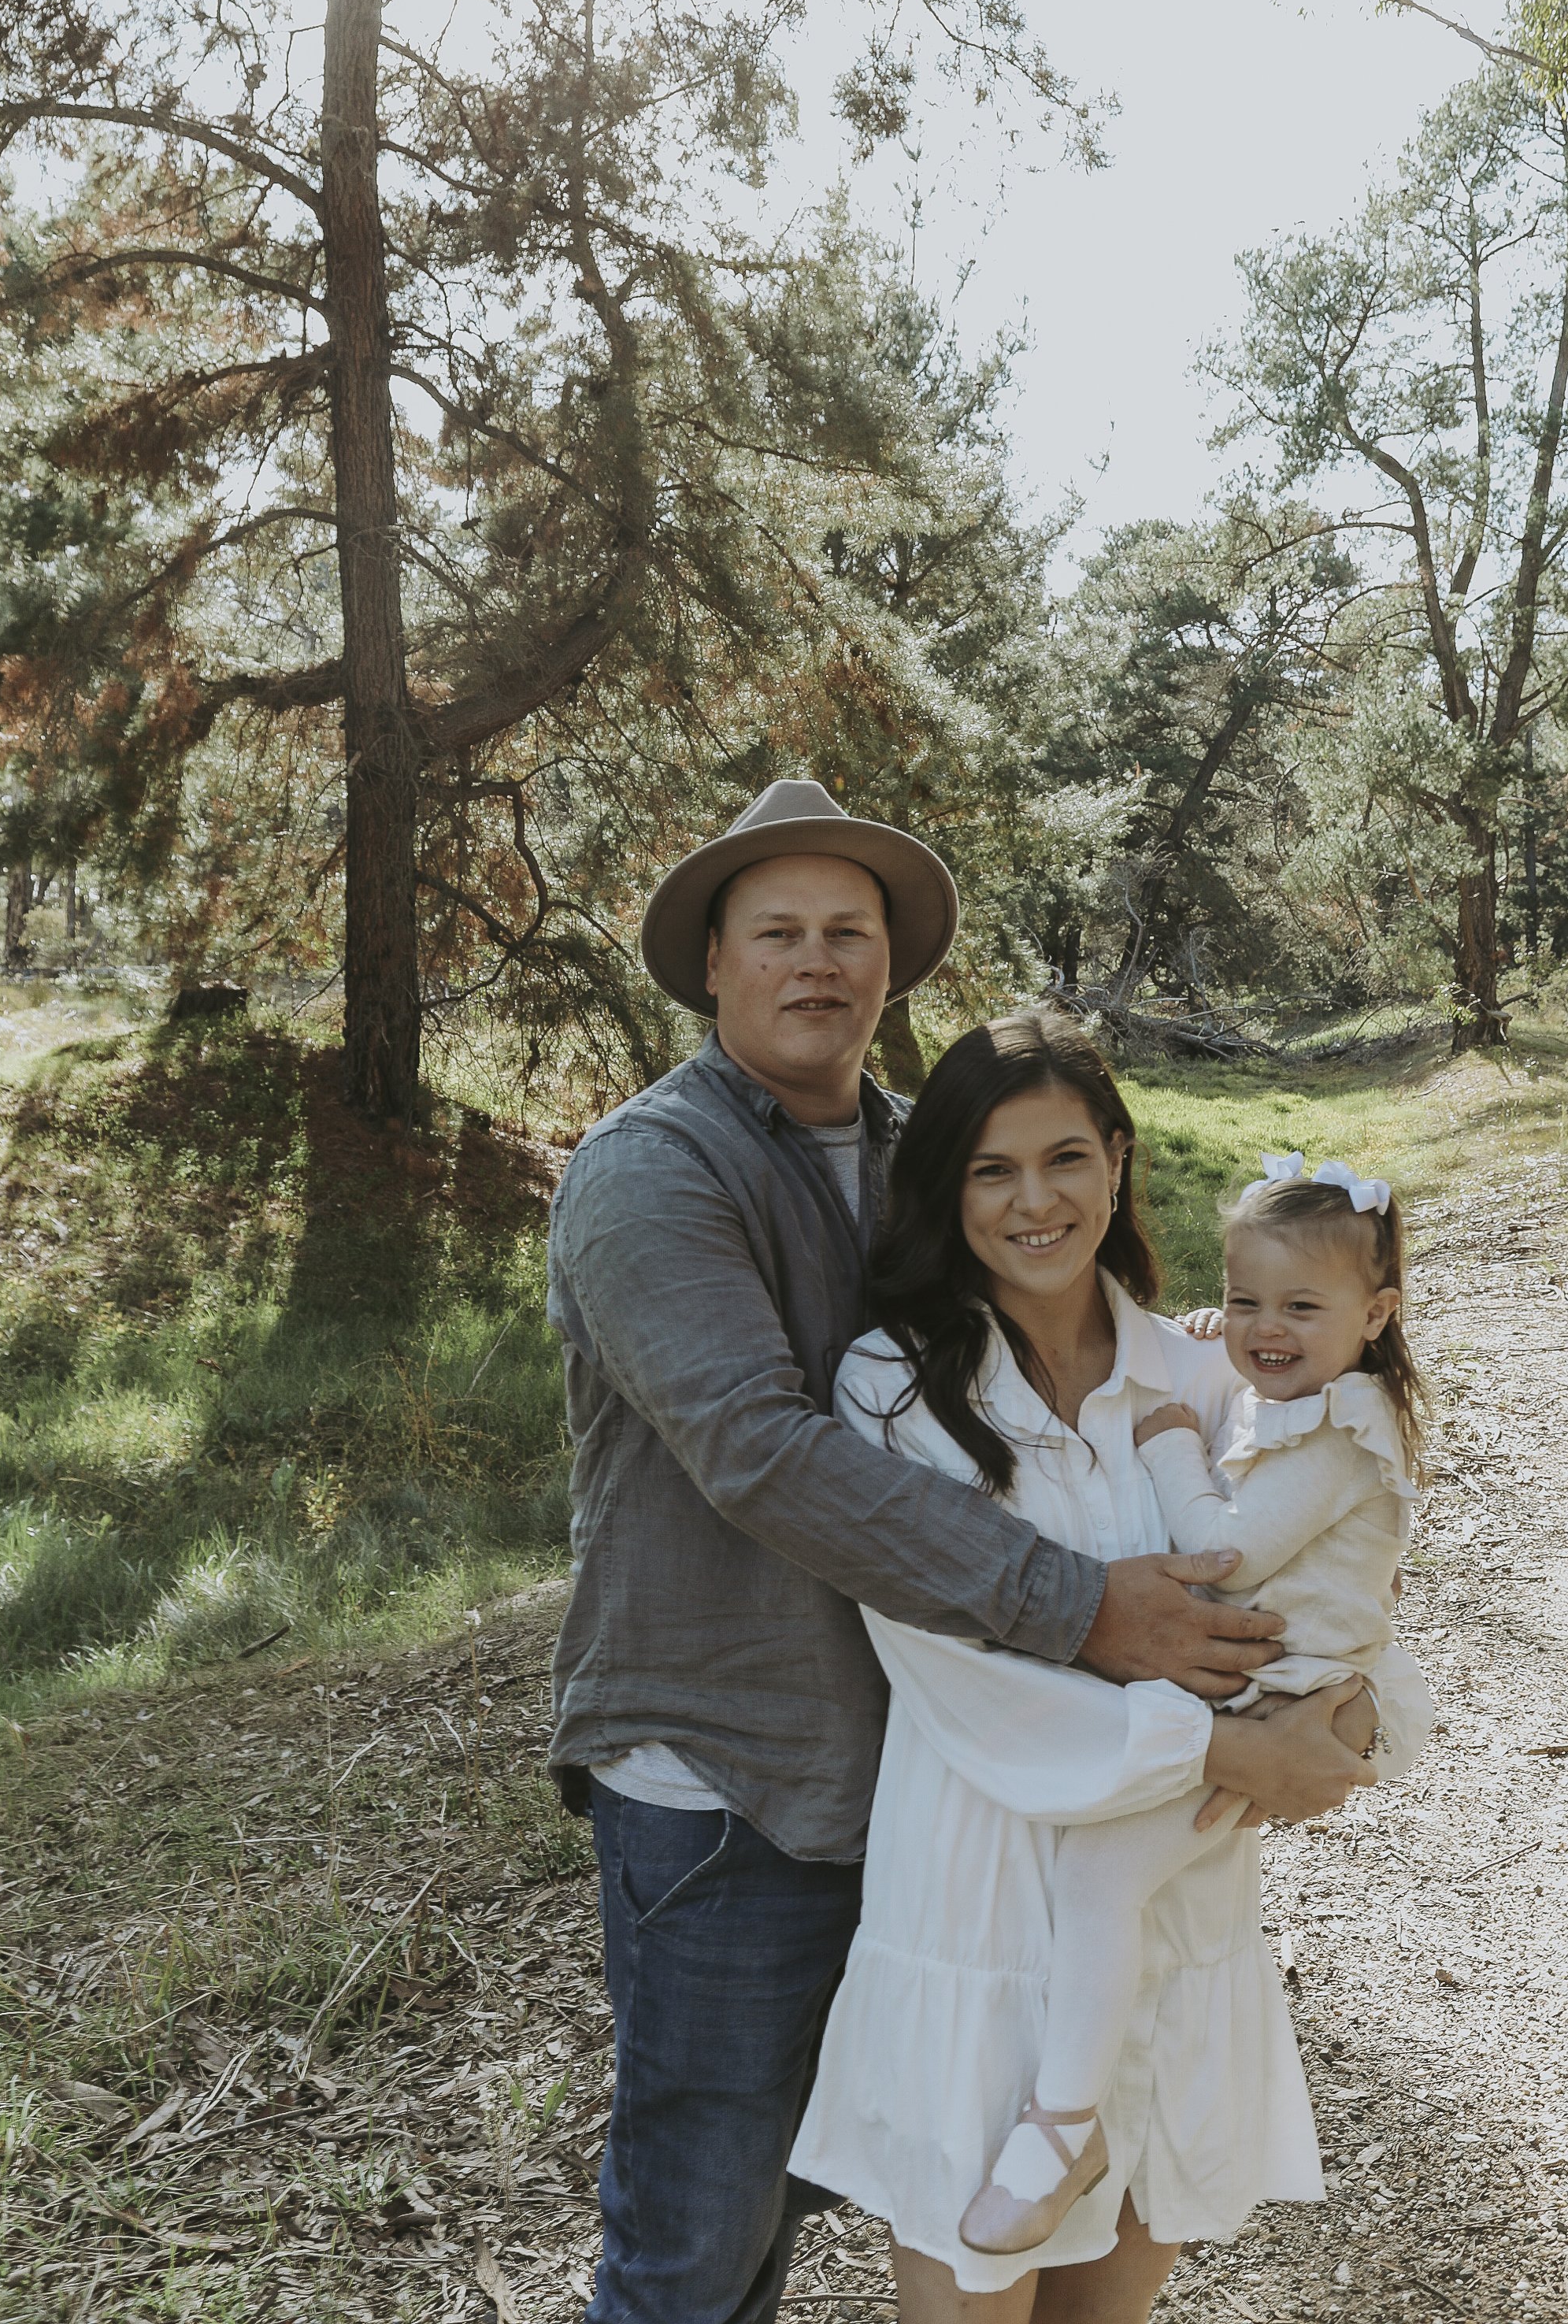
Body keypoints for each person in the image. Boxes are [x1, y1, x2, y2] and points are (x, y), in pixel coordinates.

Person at [546, 781, 1371, 2324]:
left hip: (935, 1782)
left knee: (878, 2183)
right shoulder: (654, 1170)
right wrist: (1089, 1615)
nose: (816, 961)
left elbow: (1069, 1337)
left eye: (846, 931)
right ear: (712, 963)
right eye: (776, 932)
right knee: (701, 2234)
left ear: (891, 964)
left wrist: (1228, 1361)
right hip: (730, 1776)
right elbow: (758, 1449)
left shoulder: (913, 1150)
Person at [788, 1011, 1436, 2322]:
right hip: (978, 1895)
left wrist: (1356, 1719)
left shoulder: (1213, 1373)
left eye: (1066, 1158)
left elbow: (1334, 1594)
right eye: (993, 1169)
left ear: (1119, 1161)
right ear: (947, 1187)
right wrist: (1224, 1747)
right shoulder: (891, 1389)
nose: (1036, 1201)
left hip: (1174, 1918)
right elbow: (948, 1666)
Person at [960, 1148, 1429, 2256]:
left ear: (1376, 1314)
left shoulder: (1344, 1431)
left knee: (1100, 1873)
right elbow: (1257, 1415)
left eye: (1302, 1307)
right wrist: (1224, 1356)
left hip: (1293, 1701)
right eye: (1245, 1299)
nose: (1267, 1328)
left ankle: (1065, 2126)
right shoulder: (1310, 1398)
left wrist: (1170, 1440)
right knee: (1112, 1877)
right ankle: (1086, 2115)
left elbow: (1225, 1553)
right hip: (1275, 1687)